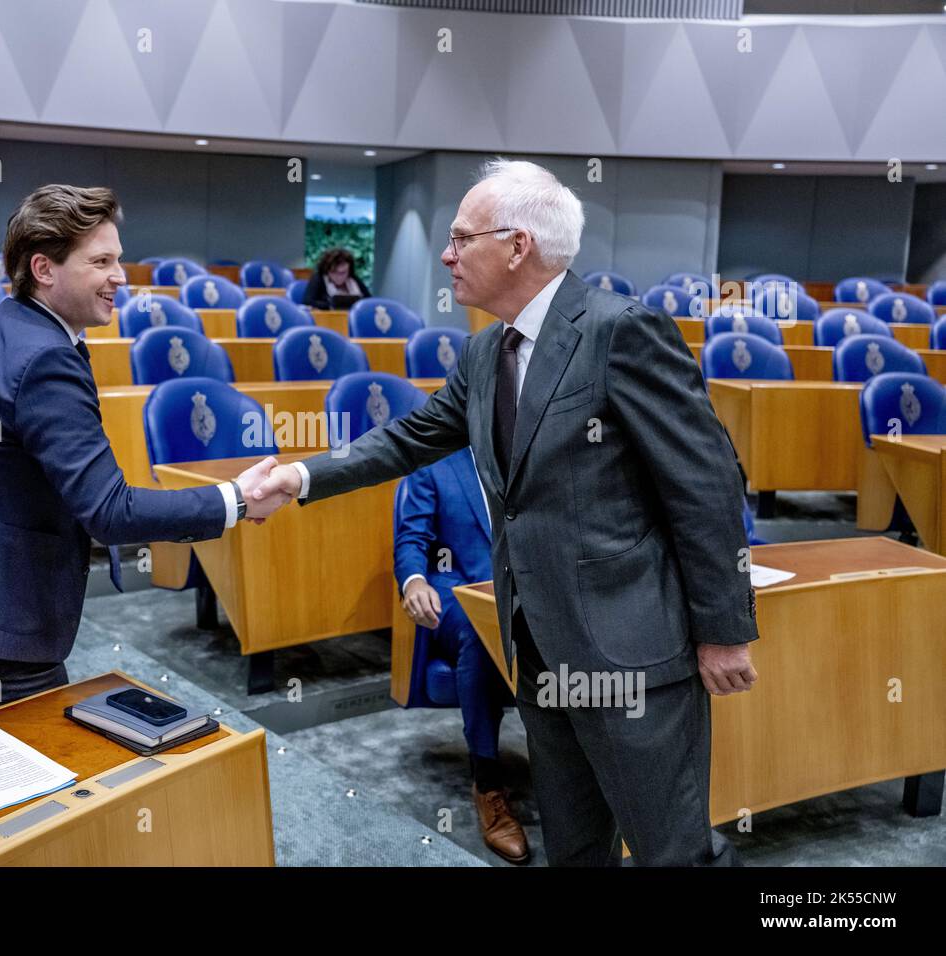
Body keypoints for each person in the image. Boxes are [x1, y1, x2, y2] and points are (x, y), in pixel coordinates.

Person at [254, 159, 758, 866]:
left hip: (634, 652)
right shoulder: (487, 349)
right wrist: (300, 475)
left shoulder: (621, 331)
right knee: (574, 846)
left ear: (518, 245)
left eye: (462, 237)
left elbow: (704, 486)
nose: (447, 253)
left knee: (669, 851)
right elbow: (408, 437)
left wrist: (723, 631)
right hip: (538, 646)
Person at [0, 184, 287, 715]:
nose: (121, 276)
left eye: (119, 260)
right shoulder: (43, 357)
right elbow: (110, 511)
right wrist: (235, 500)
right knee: (41, 782)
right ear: (44, 269)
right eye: (101, 261)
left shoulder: (17, 322)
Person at [395, 449, 525, 864]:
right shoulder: (434, 460)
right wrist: (414, 581)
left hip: (530, 584)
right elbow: (412, 538)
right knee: (481, 626)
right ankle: (487, 779)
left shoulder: (529, 445)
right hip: (457, 589)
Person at [302, 246, 371, 310]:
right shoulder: (318, 278)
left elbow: (369, 300)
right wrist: (332, 304)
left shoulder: (353, 279)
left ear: (349, 270)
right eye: (334, 272)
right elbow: (308, 302)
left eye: (343, 273)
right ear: (327, 270)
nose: (339, 277)